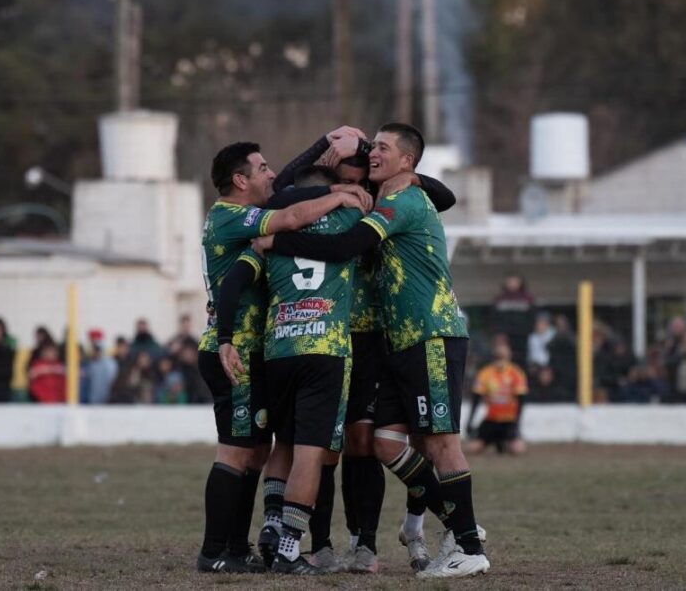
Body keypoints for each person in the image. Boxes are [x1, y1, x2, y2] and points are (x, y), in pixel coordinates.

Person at [258, 123, 489, 578]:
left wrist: (275, 241)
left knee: (435, 442)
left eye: (377, 150)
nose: (369, 157)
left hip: (423, 333)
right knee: (381, 443)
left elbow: (348, 245)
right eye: (369, 150)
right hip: (391, 340)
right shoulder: (352, 199)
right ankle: (453, 528)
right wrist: (319, 147)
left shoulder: (395, 201)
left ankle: (465, 542)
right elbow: (276, 194)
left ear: (398, 162)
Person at [195, 137, 372, 575]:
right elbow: (291, 211)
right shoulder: (231, 216)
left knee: (257, 452)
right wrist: (338, 192)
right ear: (239, 180)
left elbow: (288, 196)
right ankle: (216, 551)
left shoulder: (254, 228)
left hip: (264, 350)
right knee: (237, 453)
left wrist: (324, 151)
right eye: (262, 168)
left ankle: (238, 548)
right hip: (234, 348)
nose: (272, 174)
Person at [466, 338, 528, 455]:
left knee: (518, 450)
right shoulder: (485, 373)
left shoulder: (516, 373)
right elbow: (476, 399)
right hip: (491, 420)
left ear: (509, 354)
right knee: (472, 449)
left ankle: (504, 442)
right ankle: (497, 442)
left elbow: (521, 400)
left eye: (504, 349)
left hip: (509, 421)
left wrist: (517, 423)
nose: (501, 352)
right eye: (498, 349)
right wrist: (470, 421)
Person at [82, 330, 118, 405]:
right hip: (90, 401)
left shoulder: (109, 364)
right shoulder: (89, 363)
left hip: (104, 401)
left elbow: (111, 381)